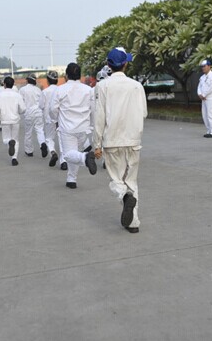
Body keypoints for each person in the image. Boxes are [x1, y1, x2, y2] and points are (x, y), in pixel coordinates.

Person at [93, 47, 147, 233]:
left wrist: (97, 144)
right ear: (125, 64)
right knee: (132, 181)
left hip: (112, 140)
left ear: (108, 65)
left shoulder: (102, 86)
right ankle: (133, 223)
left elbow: (99, 117)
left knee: (116, 180)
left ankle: (124, 197)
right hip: (133, 140)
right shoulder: (136, 86)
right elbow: (144, 113)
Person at [50, 62, 97, 189]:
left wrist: (55, 119)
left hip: (67, 127)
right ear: (80, 75)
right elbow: (93, 109)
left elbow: (52, 109)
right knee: (74, 152)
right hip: (83, 127)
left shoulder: (60, 90)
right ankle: (71, 179)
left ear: (66, 75)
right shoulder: (88, 90)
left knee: (68, 154)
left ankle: (85, 157)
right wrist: (92, 124)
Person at [0, 76, 26, 166]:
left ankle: (9, 142)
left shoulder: (0, 95)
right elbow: (23, 109)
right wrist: (18, 112)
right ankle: (14, 158)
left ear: (4, 84)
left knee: (6, 138)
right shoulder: (17, 95)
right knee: (16, 139)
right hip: (15, 120)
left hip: (5, 120)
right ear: (13, 84)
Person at [19, 74, 47, 158]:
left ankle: (29, 151)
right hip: (38, 112)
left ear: (27, 80)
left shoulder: (22, 89)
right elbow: (42, 102)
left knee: (28, 132)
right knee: (40, 130)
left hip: (28, 113)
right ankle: (42, 143)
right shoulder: (38, 90)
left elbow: (20, 102)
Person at [39, 70, 60, 167]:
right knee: (62, 140)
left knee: (49, 138)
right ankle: (64, 162)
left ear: (47, 80)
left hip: (49, 118)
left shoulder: (45, 92)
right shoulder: (60, 90)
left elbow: (41, 105)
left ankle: (52, 151)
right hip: (60, 118)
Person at [197, 59, 212, 138]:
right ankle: (209, 130)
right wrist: (199, 94)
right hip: (204, 99)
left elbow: (211, 87)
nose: (203, 68)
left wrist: (204, 94)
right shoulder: (202, 77)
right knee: (205, 115)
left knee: (211, 115)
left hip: (211, 99)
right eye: (202, 66)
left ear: (209, 66)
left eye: (204, 66)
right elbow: (199, 87)